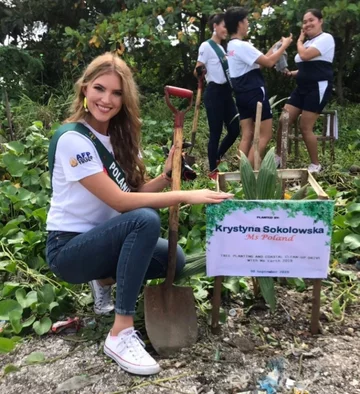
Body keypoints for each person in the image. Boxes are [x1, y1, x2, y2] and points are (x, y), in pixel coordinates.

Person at [45, 53, 233, 376]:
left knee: (174, 258)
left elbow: (133, 197)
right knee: (146, 221)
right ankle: (120, 332)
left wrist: (164, 176)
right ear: (84, 90)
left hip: (104, 240)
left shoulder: (116, 139)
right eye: (100, 89)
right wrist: (187, 195)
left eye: (117, 93)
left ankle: (103, 278)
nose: (107, 99)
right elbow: (122, 203)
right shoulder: (72, 140)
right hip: (68, 250)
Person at [224, 7, 293, 166]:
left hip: (241, 95)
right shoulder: (243, 46)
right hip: (255, 93)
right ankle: (247, 175)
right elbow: (269, 63)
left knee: (247, 135)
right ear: (240, 23)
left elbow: (261, 62)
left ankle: (241, 172)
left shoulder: (232, 47)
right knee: (265, 135)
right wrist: (285, 46)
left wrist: (276, 45)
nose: (248, 23)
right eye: (246, 20)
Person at [276, 9, 335, 173]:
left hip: (318, 87)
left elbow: (305, 56)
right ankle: (278, 157)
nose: (307, 24)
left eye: (311, 20)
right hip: (302, 88)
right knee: (283, 120)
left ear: (320, 21)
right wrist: (291, 73)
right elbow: (306, 68)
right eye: (305, 21)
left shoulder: (325, 38)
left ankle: (315, 165)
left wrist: (299, 40)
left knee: (305, 126)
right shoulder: (309, 43)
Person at [194, 13, 240, 179]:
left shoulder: (222, 48)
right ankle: (212, 170)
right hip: (214, 92)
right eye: (224, 26)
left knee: (235, 129)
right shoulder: (207, 46)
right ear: (215, 26)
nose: (226, 30)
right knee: (216, 132)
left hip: (226, 92)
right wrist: (200, 71)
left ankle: (218, 155)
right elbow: (197, 68)